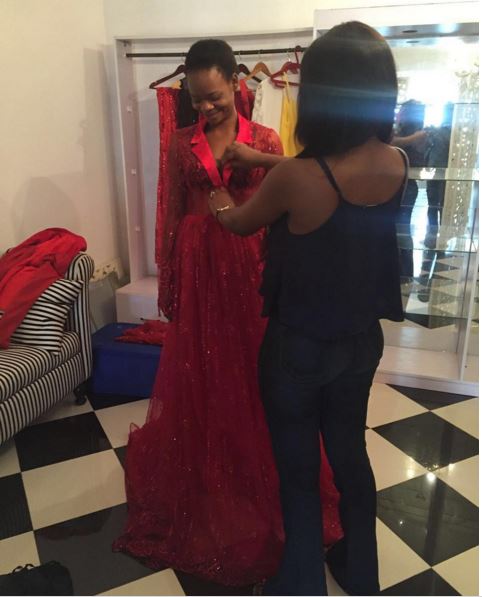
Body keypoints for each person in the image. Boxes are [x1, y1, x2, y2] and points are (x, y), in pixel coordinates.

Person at [114, 39, 342, 587]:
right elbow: (171, 209)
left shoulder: (262, 138)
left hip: (249, 264)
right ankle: (206, 474)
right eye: (197, 99)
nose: (206, 107)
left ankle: (256, 471)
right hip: (198, 267)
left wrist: (280, 275)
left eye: (214, 96)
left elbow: (289, 195)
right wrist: (168, 276)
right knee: (202, 369)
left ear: (236, 82)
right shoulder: (181, 140)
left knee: (255, 370)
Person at [210, 22, 407, 596]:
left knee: (298, 473)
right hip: (360, 343)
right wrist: (266, 160)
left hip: (297, 348)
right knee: (351, 456)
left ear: (319, 94)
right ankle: (361, 575)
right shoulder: (396, 162)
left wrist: (219, 202)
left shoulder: (298, 177)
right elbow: (325, 178)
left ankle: (300, 585)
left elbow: (241, 222)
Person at [392, 100, 427, 280]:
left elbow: (392, 143)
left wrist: (412, 138)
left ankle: (405, 273)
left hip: (407, 186)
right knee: (397, 228)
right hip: (396, 183)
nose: (398, 113)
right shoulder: (407, 131)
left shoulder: (418, 133)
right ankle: (401, 271)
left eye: (402, 111)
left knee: (402, 228)